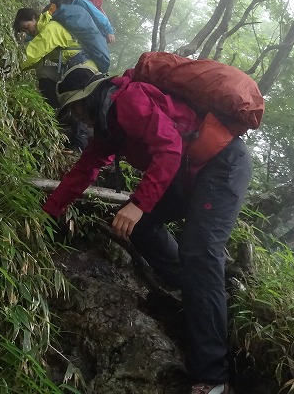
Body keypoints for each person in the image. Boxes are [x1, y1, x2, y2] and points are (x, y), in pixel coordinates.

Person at [42, 65, 252, 394]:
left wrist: (138, 203)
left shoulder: (128, 100)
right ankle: (193, 287)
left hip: (221, 164)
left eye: (76, 109)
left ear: (88, 98)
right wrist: (46, 214)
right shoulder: (108, 127)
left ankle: (213, 378)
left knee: (199, 252)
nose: (77, 117)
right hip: (189, 173)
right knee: (143, 228)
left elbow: (169, 149)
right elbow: (83, 171)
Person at [13, 8, 97, 148]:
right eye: (24, 30)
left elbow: (31, 55)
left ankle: (79, 144)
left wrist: (10, 64)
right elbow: (36, 61)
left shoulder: (51, 29)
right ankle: (60, 112)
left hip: (83, 70)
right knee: (44, 71)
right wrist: (16, 69)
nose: (27, 32)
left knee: (78, 101)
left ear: (34, 17)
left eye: (26, 27)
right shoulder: (45, 30)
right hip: (73, 69)